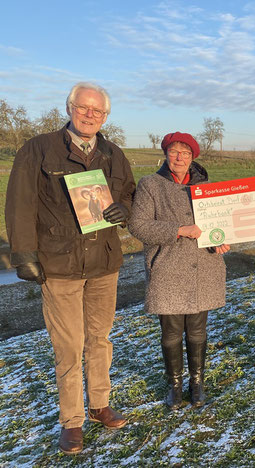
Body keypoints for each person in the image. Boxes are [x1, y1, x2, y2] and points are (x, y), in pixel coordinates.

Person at [5, 82, 135, 455]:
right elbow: (19, 203)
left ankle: (98, 404)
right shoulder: (39, 148)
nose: (90, 115)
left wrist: (123, 209)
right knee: (68, 345)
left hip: (103, 262)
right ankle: (71, 420)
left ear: (105, 116)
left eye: (98, 111)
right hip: (58, 263)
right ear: (70, 108)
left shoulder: (112, 153)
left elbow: (128, 190)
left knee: (100, 339)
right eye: (84, 108)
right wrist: (24, 254)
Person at [128, 132, 229, 410]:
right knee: (171, 332)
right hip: (167, 268)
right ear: (166, 154)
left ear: (193, 157)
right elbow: (139, 225)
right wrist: (178, 231)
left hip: (202, 267)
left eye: (185, 153)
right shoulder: (150, 185)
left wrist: (222, 238)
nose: (180, 157)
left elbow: (221, 224)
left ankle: (197, 383)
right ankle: (174, 384)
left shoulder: (208, 188)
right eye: (174, 152)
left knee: (197, 331)